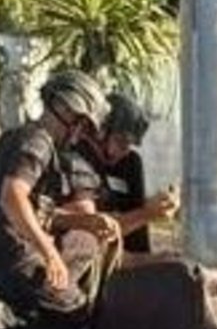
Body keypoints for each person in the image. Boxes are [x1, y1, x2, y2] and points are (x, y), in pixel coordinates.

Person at [0, 69, 121, 329]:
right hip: (7, 255)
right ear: (62, 108)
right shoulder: (36, 142)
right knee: (75, 316)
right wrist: (50, 255)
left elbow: (35, 211)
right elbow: (12, 197)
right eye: (80, 124)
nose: (79, 135)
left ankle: (23, 308)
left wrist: (87, 221)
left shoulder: (29, 139)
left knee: (86, 241)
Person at [68, 91, 178, 264]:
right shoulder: (76, 159)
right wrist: (148, 213)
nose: (125, 151)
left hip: (123, 259)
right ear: (100, 132)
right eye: (121, 141)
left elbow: (137, 236)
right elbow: (92, 231)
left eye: (129, 144)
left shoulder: (130, 163)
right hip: (91, 264)